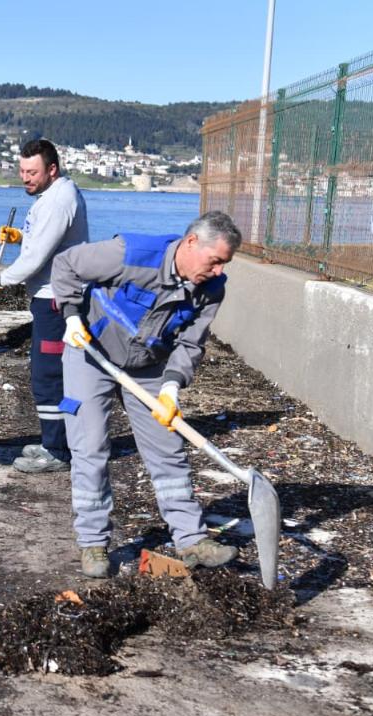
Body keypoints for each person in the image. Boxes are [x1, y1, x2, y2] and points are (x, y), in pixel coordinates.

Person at [52, 210, 243, 578]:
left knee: (168, 450)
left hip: (150, 365)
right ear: (191, 243)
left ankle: (191, 539)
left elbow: (190, 343)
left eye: (224, 263)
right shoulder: (131, 253)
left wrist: (172, 385)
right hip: (91, 352)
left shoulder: (212, 288)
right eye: (215, 260)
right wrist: (73, 315)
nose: (219, 270)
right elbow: (66, 264)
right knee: (90, 447)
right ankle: (93, 543)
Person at [0, 139, 89, 473]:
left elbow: (38, 256)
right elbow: (42, 242)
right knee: (47, 372)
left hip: (56, 300)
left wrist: (0, 280)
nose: (25, 178)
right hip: (47, 296)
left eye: (32, 172)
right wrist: (19, 237)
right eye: (22, 171)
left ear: (52, 169)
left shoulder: (59, 200)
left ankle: (57, 450)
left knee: (49, 374)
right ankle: (52, 441)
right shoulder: (51, 196)